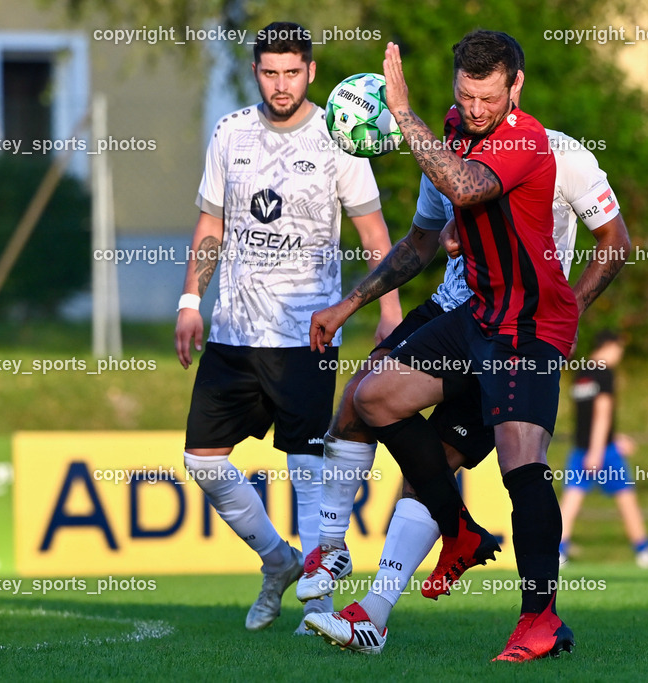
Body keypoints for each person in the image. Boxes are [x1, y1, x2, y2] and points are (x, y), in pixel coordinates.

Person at [302, 33, 631, 656]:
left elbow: (470, 187)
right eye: (465, 93)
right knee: (371, 399)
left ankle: (539, 619)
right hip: (475, 315)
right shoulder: (453, 132)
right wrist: (350, 302)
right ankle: (450, 538)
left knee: (520, 464)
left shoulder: (532, 142)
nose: (476, 108)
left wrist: (571, 310)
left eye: (488, 95)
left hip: (527, 327)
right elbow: (424, 238)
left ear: (515, 88)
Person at [174, 21, 401, 635]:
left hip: (308, 330)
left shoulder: (340, 136)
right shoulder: (230, 133)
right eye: (270, 72)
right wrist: (191, 299)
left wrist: (387, 309)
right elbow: (211, 225)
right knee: (202, 460)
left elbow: (376, 237)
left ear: (311, 72)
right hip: (233, 330)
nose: (281, 84)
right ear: (256, 72)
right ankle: (280, 562)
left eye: (292, 72)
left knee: (306, 465)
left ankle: (319, 607)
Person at [559, 331, 648, 568]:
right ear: (609, 347)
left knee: (570, 502)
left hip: (581, 447)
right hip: (602, 450)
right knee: (626, 499)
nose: (619, 355)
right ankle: (645, 553)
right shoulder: (604, 372)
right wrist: (598, 449)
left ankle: (557, 553)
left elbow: (585, 417)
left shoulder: (581, 373)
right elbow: (602, 414)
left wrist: (612, 436)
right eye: (619, 349)